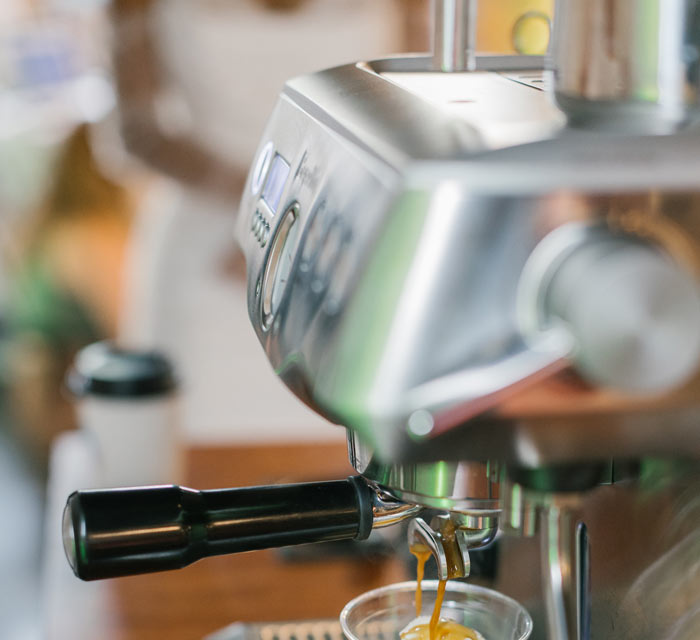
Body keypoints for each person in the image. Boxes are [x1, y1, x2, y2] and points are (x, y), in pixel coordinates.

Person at [108, 0, 426, 443]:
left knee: (338, 461)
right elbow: (138, 132)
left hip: (338, 246)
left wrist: (287, 215)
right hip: (205, 255)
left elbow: (420, 116)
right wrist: (260, 211)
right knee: (192, 451)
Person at [1, 122, 133, 469]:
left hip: (30, 401)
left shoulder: (53, 225)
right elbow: (126, 328)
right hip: (64, 409)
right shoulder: (88, 236)